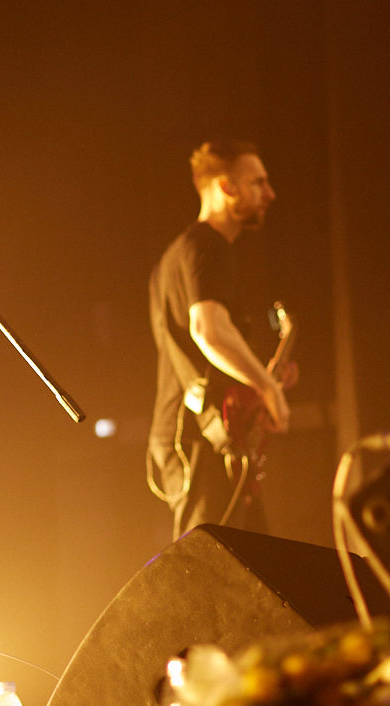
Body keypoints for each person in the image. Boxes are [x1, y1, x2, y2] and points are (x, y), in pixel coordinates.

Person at [147, 140, 294, 541]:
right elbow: (207, 330)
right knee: (207, 576)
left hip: (197, 436)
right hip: (196, 437)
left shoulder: (177, 255)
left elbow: (206, 345)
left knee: (243, 565)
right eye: (258, 183)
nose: (270, 193)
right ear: (227, 188)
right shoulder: (206, 246)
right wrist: (267, 389)